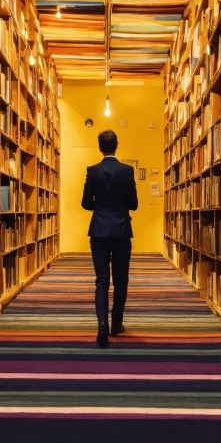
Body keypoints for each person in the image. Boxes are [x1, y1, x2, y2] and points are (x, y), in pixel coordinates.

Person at [81, 129, 138, 347]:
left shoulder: (92, 171)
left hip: (99, 230)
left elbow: (86, 204)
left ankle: (102, 325)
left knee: (102, 280)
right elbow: (133, 204)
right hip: (122, 230)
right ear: (117, 145)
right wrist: (118, 207)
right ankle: (117, 324)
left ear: (99, 147)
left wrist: (102, 208)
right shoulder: (127, 171)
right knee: (121, 279)